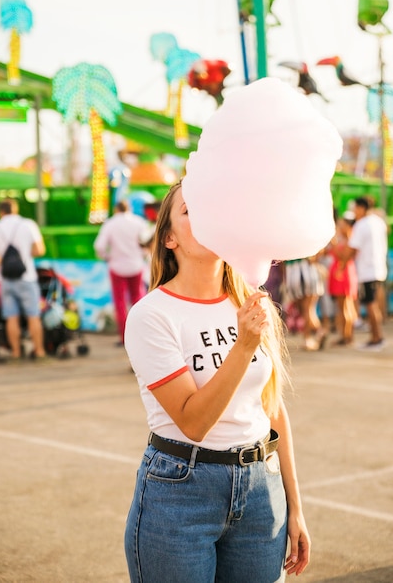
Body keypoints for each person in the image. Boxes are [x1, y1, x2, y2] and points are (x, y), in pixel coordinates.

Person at [124, 182, 310, 582]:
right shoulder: (151, 315)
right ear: (169, 237)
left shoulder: (251, 302)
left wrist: (295, 505)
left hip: (263, 489)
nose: (207, 219)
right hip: (180, 494)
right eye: (192, 211)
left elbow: (272, 407)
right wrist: (242, 347)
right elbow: (193, 422)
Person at [0, 199, 47, 360]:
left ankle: (15, 353)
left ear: (1, 212)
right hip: (27, 276)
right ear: (16, 209)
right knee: (33, 315)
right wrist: (25, 255)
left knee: (11, 317)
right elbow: (40, 250)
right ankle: (39, 351)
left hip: (5, 279)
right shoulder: (28, 224)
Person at [94, 199, 151, 346]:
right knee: (138, 299)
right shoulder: (139, 222)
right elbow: (147, 242)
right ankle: (142, 335)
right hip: (136, 266)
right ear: (130, 208)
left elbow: (99, 246)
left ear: (115, 209)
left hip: (117, 267)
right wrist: (142, 255)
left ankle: (125, 337)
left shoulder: (110, 224)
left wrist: (107, 257)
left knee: (120, 303)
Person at [347, 196, 388, 350]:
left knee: (370, 305)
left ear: (362, 208)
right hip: (379, 268)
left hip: (367, 270)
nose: (354, 212)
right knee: (374, 304)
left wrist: (343, 263)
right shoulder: (378, 222)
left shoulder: (362, 224)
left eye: (355, 208)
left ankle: (376, 338)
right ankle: (376, 337)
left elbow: (353, 248)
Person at [328, 212, 358, 346]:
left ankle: (346, 336)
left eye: (342, 225)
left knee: (344, 307)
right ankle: (347, 335)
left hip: (343, 275)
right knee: (346, 307)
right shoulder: (346, 240)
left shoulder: (349, 240)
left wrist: (334, 245)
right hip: (343, 274)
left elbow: (343, 257)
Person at [284, 256, 327, 351]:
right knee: (308, 309)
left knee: (305, 310)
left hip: (292, 273)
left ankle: (311, 336)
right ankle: (317, 332)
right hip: (306, 271)